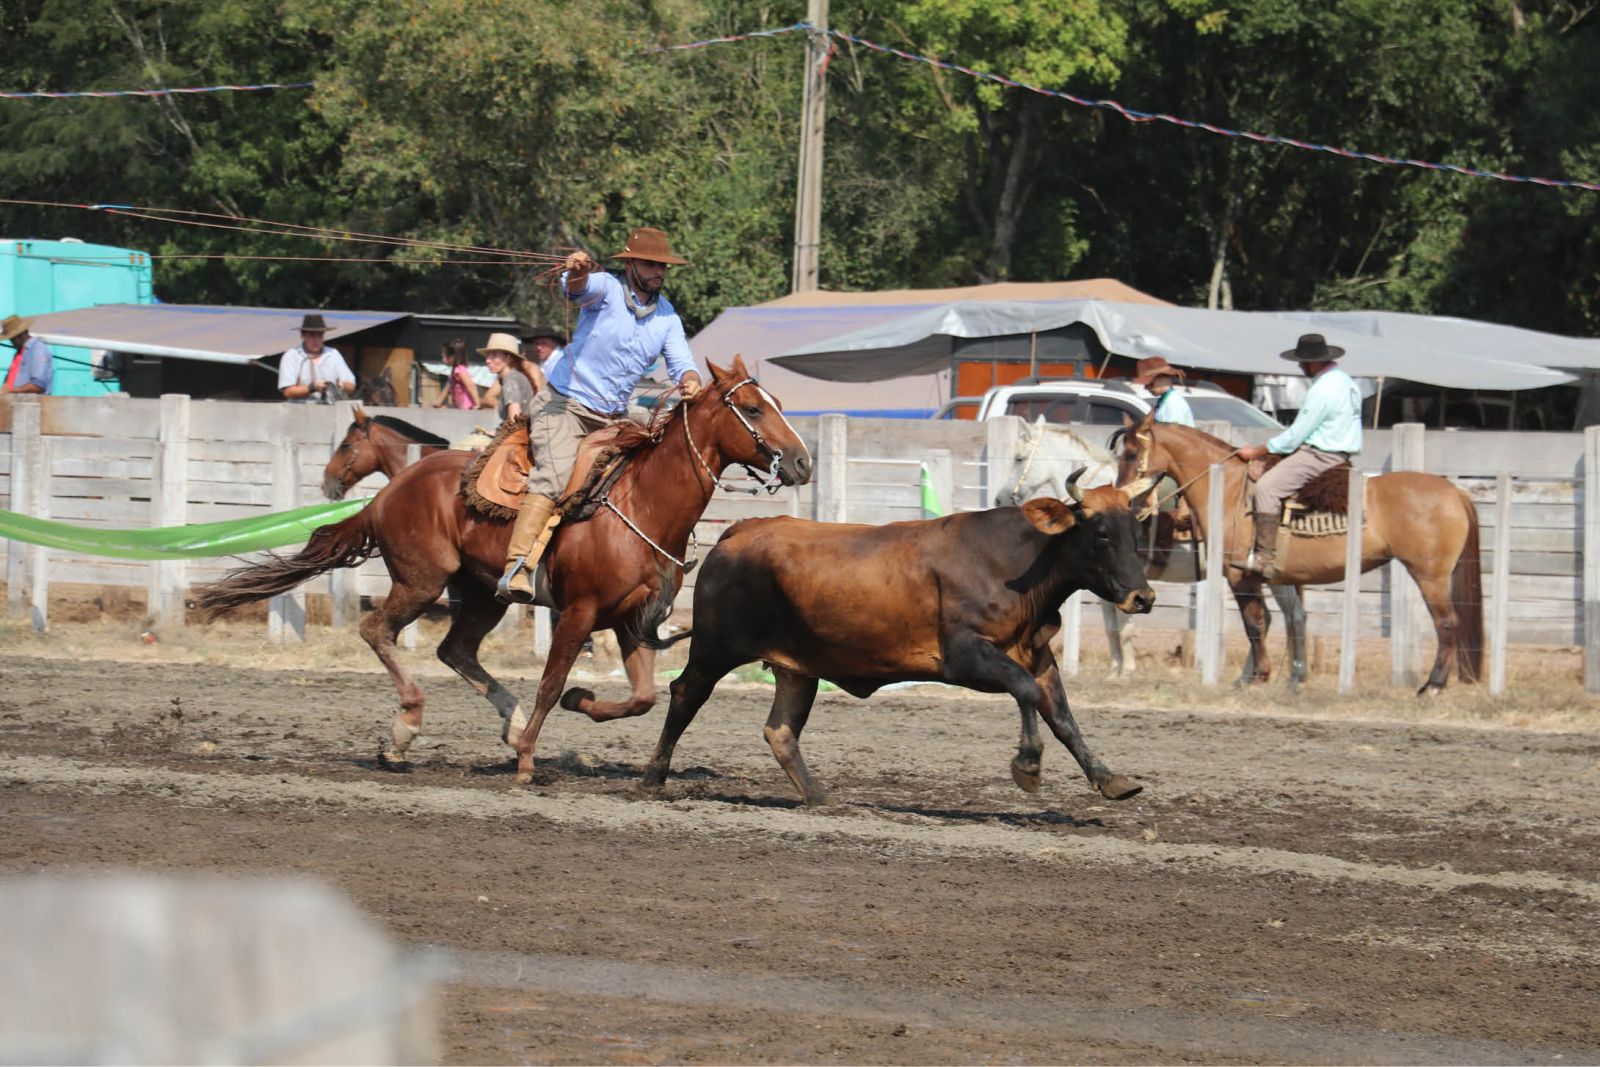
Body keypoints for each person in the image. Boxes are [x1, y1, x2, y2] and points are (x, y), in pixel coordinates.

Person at [497, 226, 703, 604]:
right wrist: (576, 270)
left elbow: (681, 363)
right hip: (565, 405)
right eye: (651, 264)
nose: (659, 271)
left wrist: (691, 379)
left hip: (613, 415)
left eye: (663, 265)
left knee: (655, 457)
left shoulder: (667, 316)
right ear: (630, 265)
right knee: (554, 475)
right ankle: (518, 564)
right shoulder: (606, 288)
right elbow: (576, 288)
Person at [1233, 333, 1363, 578]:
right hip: (1340, 452)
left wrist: (1257, 451)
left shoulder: (1323, 389)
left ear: (1315, 362)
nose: (1301, 367)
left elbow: (1296, 434)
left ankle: (1264, 558)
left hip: (1319, 455)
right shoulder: (1347, 382)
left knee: (1266, 489)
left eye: (1303, 362)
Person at [278, 313, 356, 402]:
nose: (316, 340)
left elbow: (351, 386)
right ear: (303, 335)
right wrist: (312, 387)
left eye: (320, 335)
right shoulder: (292, 356)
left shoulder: (333, 354)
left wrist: (339, 385)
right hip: (299, 411)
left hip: (331, 410)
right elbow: (288, 392)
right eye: (312, 335)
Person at [482, 333, 535, 421]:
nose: (487, 360)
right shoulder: (513, 377)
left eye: (494, 355)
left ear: (508, 358)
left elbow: (514, 420)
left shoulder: (511, 380)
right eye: (488, 355)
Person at [1131, 355, 1194, 427]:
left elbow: (1171, 435)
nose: (1146, 388)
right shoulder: (1166, 400)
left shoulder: (1173, 404)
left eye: (1150, 383)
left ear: (1161, 378)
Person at [2, 315, 53, 395]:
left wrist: (10, 391)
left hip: (32, 405)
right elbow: (9, 382)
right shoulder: (20, 352)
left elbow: (38, 385)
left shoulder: (38, 348)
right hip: (16, 403)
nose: (12, 342)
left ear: (21, 334)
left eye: (12, 339)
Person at [434, 338, 481, 410]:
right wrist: (438, 402)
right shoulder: (454, 371)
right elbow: (447, 388)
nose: (442, 356)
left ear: (452, 357)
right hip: (459, 407)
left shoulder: (459, 370)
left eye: (443, 355)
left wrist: (477, 404)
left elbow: (471, 386)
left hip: (467, 407)